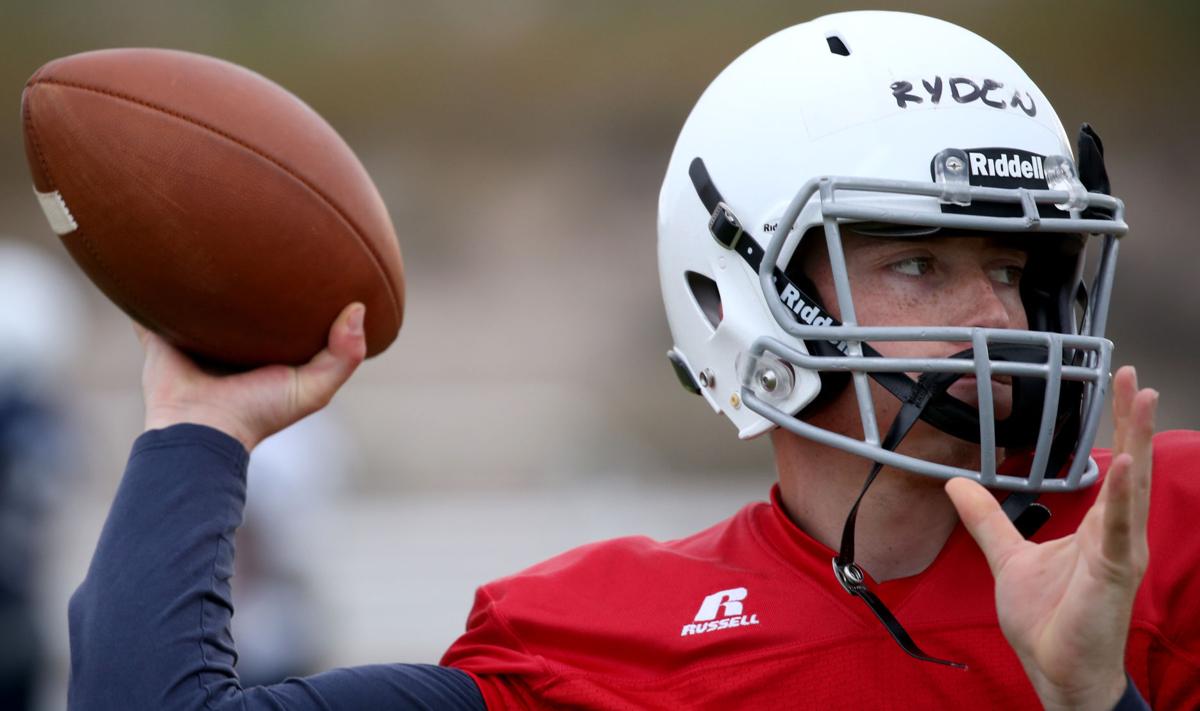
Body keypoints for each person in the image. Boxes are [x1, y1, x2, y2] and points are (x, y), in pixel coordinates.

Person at [67, 11, 1196, 710]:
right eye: (920, 264)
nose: (999, 314)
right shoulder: (599, 644)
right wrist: (198, 430)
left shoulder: (1172, 544)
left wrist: (1096, 698)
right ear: (749, 290)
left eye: (1015, 267)